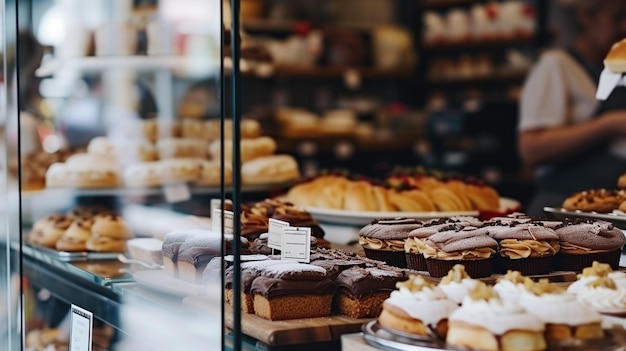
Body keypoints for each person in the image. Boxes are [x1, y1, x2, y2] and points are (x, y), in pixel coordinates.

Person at [518, 0, 626, 215]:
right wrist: (609, 124)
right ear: (587, 16)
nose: (625, 27)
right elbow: (531, 148)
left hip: (612, 211)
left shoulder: (614, 72)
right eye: (618, 17)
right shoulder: (556, 64)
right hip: (563, 209)